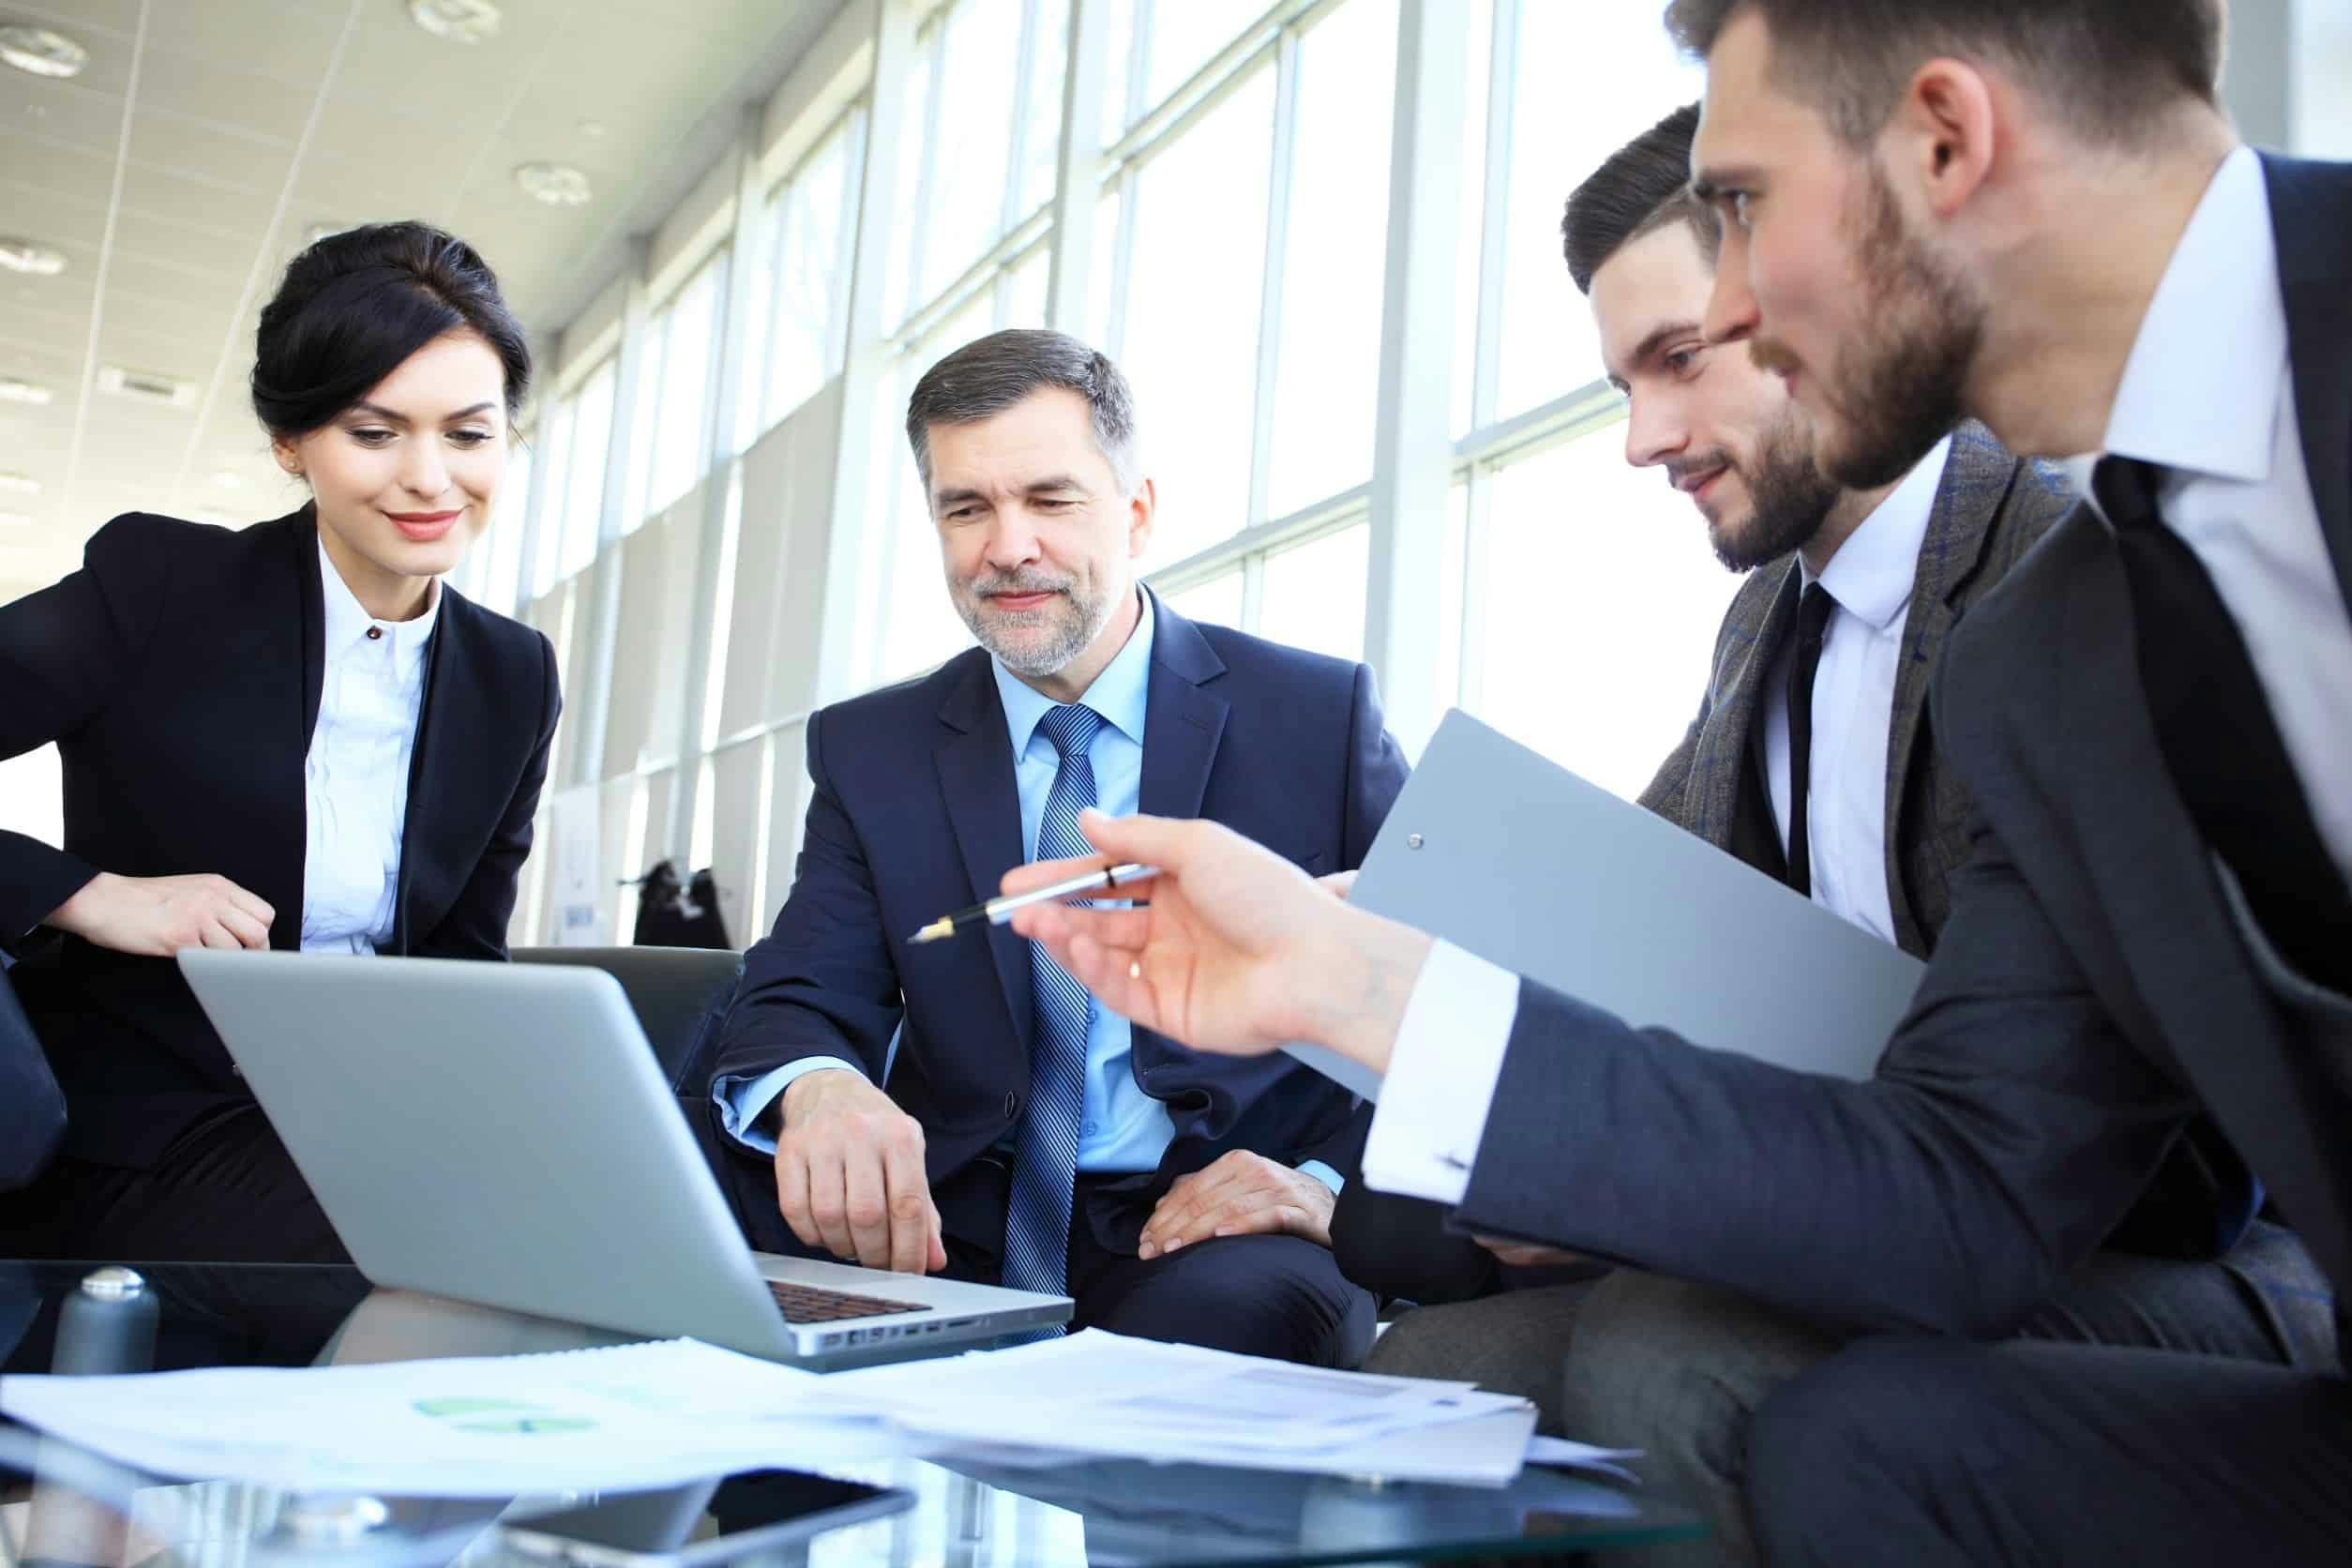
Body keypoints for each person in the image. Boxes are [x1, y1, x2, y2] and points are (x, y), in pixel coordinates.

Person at [1002, 0, 2350, 1551]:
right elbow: (1965, 1185)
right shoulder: (2054, 651)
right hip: (2049, 1275)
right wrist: (1352, 980)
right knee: (1806, 1432)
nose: (1745, 297)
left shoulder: (2036, 586)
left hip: (2205, 1271)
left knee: (1695, 1362)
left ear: (1942, 138)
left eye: (1745, 206)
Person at [1339, 101, 2330, 1560]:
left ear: (1800, 299)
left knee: (1671, 1354)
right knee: (1420, 1367)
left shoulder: (2057, 582)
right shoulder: (1763, 630)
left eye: (1682, 359)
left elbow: (2145, 1171)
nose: (1641, 439)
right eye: (1623, 381)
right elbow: (1624, 910)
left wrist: (1673, 1182)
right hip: (1891, 1207)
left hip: (2161, 1248)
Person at [689, 329, 1406, 1367]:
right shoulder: (872, 747)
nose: (1008, 546)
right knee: (711, 1239)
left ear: (1138, 512)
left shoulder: (1315, 715)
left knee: (1228, 1326)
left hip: (1207, 1223)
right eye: (966, 508)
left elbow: (1445, 991)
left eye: (1051, 500)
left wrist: (1326, 1183)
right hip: (950, 1215)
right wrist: (821, 1086)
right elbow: (799, 987)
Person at [0, 222, 560, 1264]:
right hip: (146, 1125)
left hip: (364, 1121)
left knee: (620, 1224)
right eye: (375, 431)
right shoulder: (162, 588)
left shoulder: (513, 676)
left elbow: (461, 960)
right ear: (292, 444)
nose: (431, 479)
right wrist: (91, 893)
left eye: (470, 435)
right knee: (433, 1251)